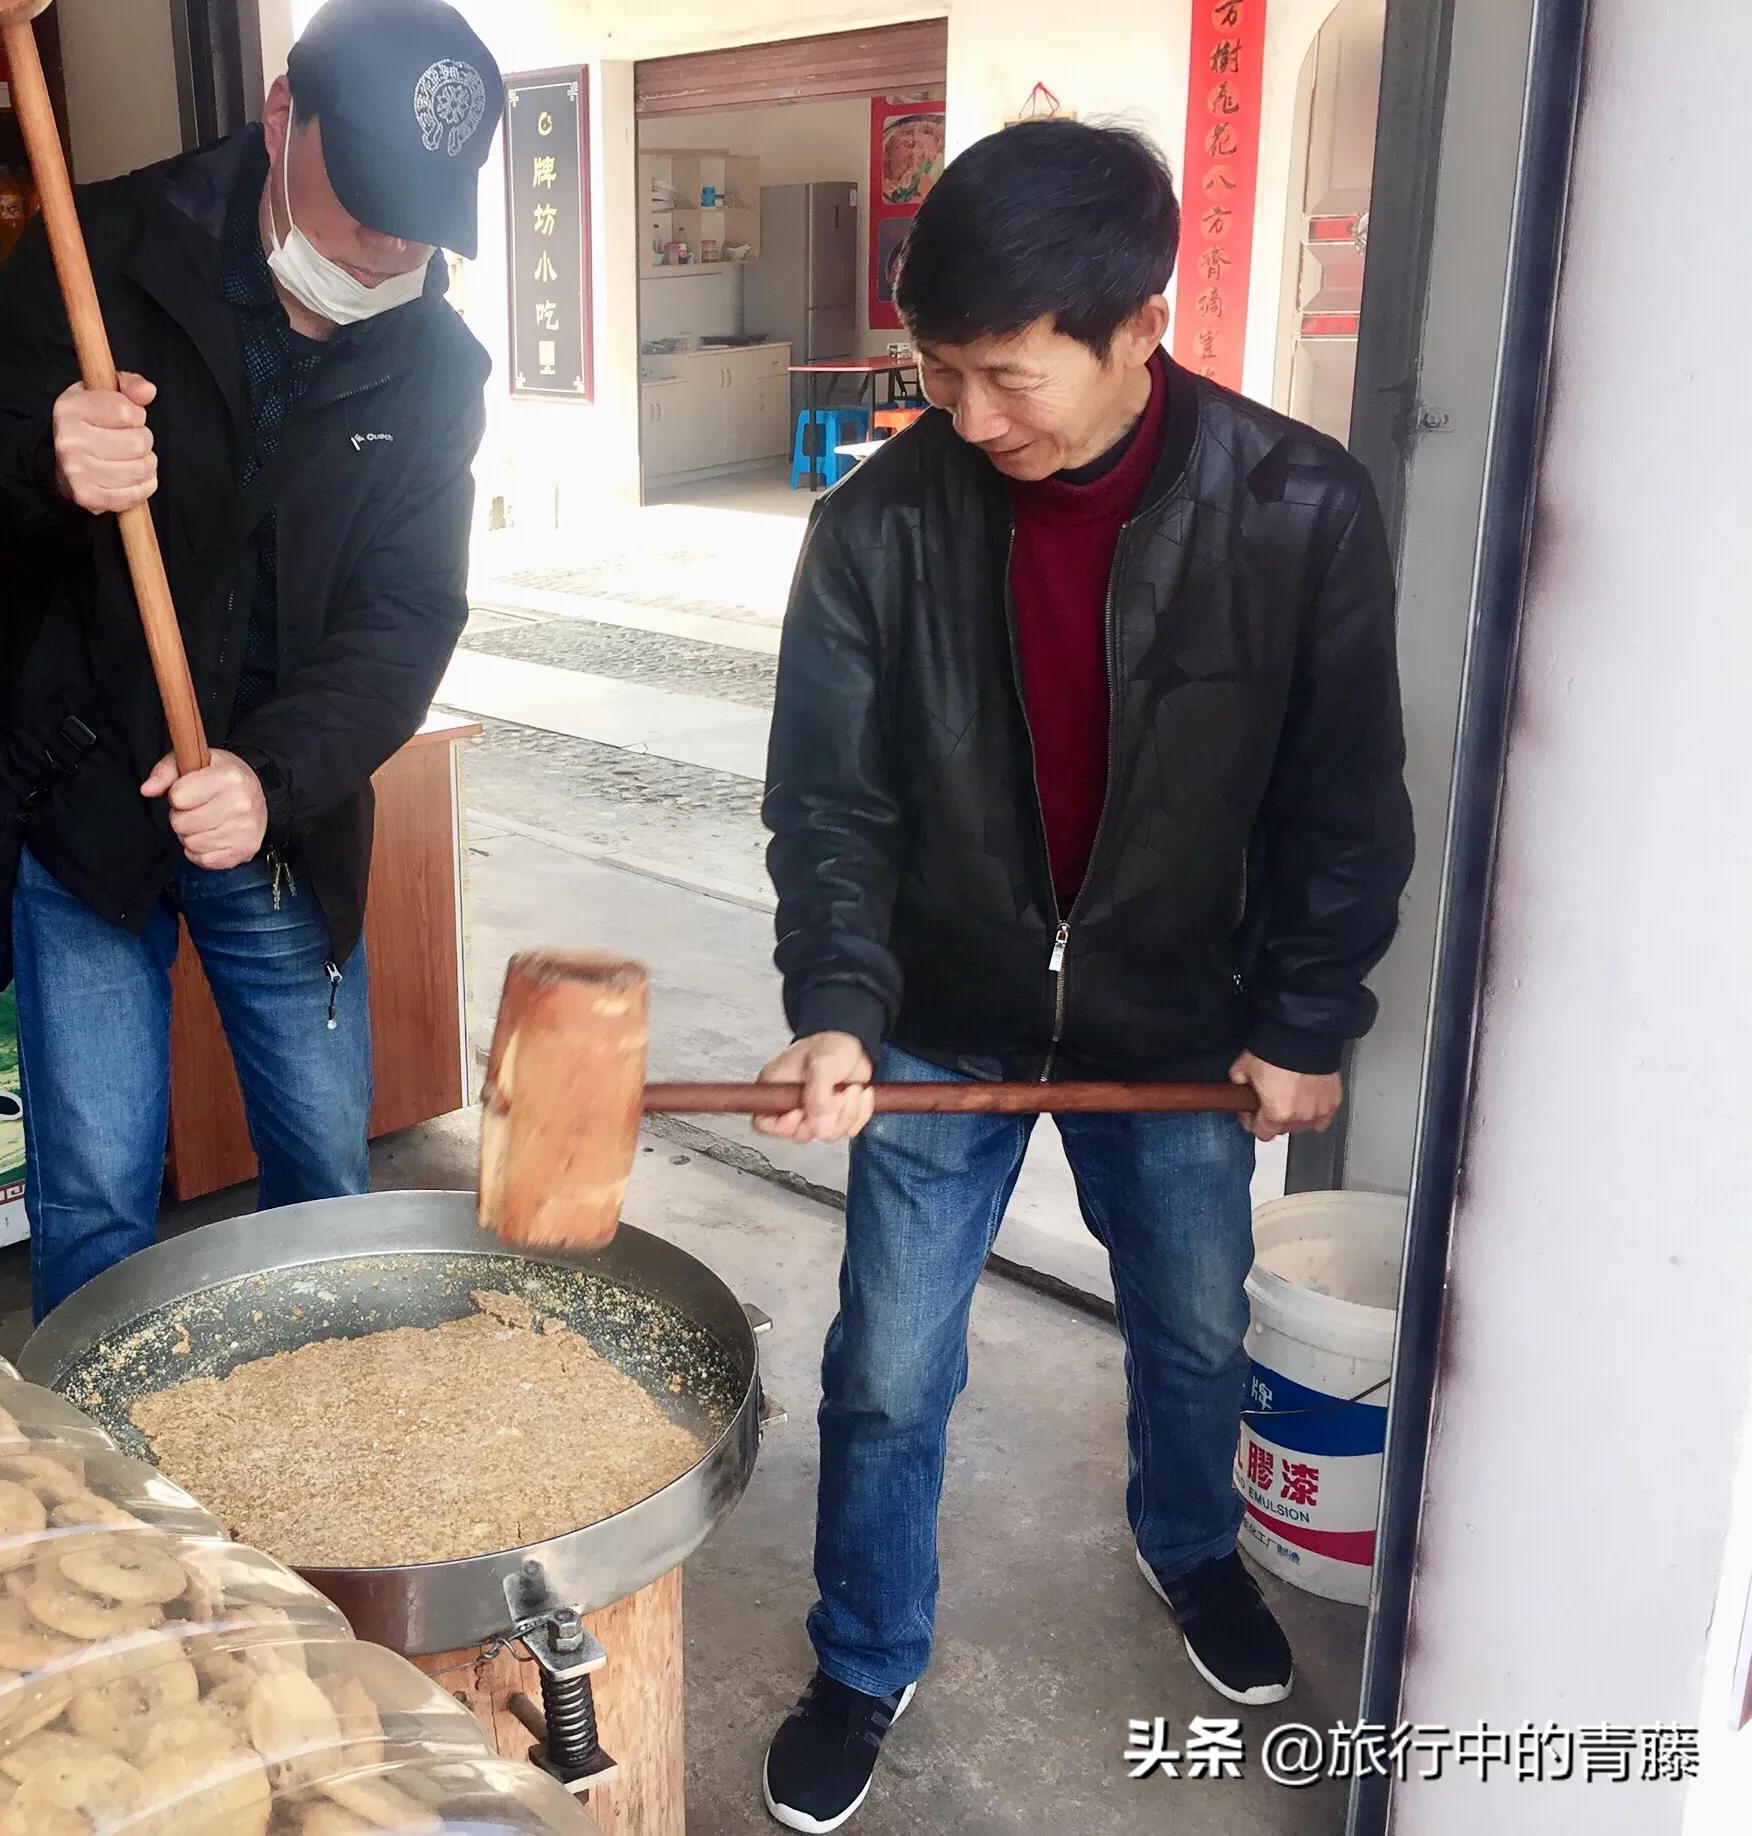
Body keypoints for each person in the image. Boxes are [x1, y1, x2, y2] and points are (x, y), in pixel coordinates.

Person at [755, 119, 1414, 1832]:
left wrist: (1305, 1015)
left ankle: (1192, 1547)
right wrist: (838, 1005)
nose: (966, 418)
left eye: (1002, 376)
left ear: (1138, 326)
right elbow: (830, 801)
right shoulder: (878, 528)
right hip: (941, 1023)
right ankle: (862, 1651)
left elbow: (1342, 796)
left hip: (1178, 1021)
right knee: (889, 1366)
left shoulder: (1298, 507)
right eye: (936, 373)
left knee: (1194, 1329)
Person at [0, 0, 500, 1319]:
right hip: (83, 796)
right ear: (286, 117)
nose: (388, 252)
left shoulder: (435, 368)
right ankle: (109, 1496)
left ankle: (320, 1462)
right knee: (96, 1192)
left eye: (421, 225)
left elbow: (406, 620)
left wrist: (272, 776)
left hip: (273, 821)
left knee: (325, 1178)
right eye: (363, 213)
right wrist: (46, 461)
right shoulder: (105, 247)